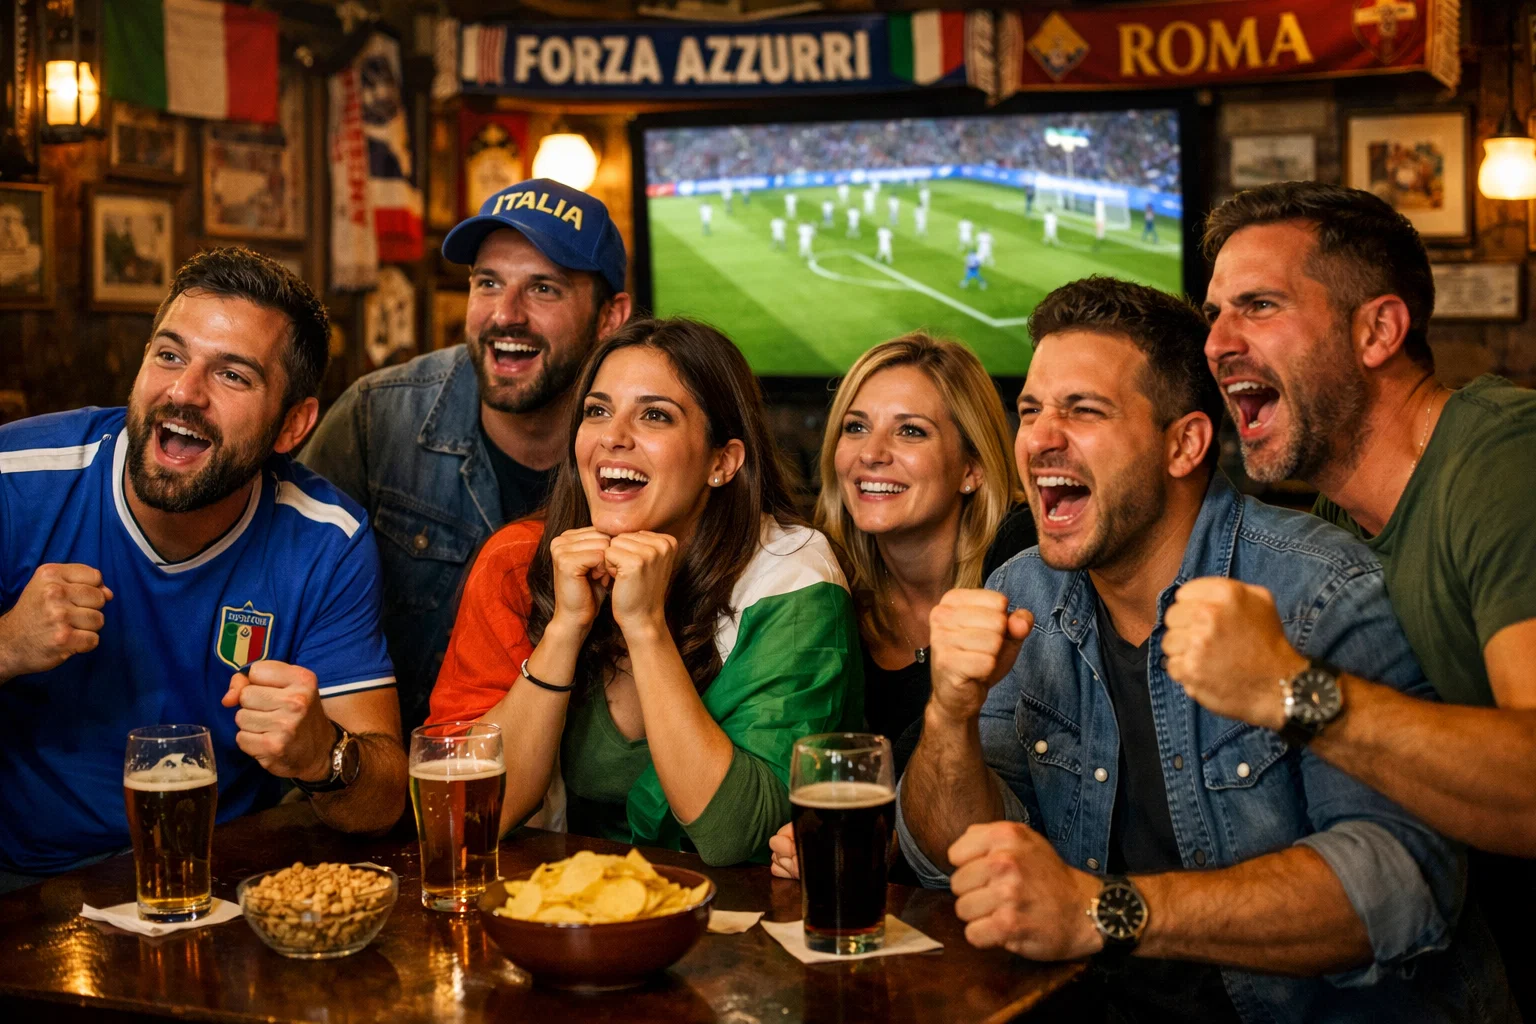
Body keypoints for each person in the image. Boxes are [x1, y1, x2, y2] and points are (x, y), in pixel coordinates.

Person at [899, 277, 1510, 1021]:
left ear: (1184, 443)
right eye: (1030, 410)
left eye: (1083, 410)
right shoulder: (1024, 590)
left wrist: (1105, 911)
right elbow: (953, 860)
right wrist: (949, 716)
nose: (1040, 437)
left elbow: (1396, 887)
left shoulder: (1317, 590)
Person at [1191, 180, 1536, 1013]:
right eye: (1214, 315)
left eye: (1259, 306)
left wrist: (1289, 692)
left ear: (1377, 329)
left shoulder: (1502, 460)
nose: (1217, 344)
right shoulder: (1332, 523)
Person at [0, 248, 407, 891]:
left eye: (233, 376)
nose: (184, 392)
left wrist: (324, 754)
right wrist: (5, 644)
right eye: (169, 355)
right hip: (21, 881)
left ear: (293, 424)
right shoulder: (17, 478)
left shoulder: (327, 539)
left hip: (221, 881)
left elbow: (381, 800)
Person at [428, 318, 861, 866]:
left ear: (722, 462)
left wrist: (646, 627)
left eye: (654, 415)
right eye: (597, 410)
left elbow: (736, 834)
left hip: (733, 929)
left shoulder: (792, 575)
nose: (613, 436)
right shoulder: (518, 561)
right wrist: (565, 629)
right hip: (564, 916)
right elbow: (467, 821)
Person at [301, 180, 631, 737]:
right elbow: (280, 589)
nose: (506, 315)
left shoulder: (641, 454)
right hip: (393, 783)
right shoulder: (377, 418)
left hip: (576, 805)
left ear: (609, 317)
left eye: (544, 289)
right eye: (488, 283)